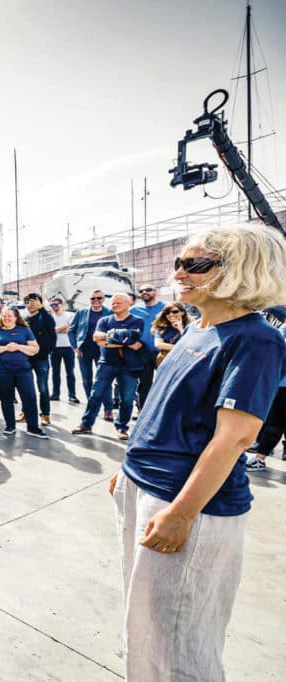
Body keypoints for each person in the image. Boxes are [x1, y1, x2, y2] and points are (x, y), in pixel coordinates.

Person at [111, 224, 286, 680]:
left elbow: (234, 438)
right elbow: (162, 407)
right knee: (145, 626)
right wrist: (128, 466)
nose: (179, 273)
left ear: (239, 271)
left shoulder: (256, 340)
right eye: (179, 263)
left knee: (181, 642)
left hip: (187, 504)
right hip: (145, 487)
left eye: (195, 264)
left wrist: (182, 514)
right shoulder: (197, 328)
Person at [72, 293, 144, 439]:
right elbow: (97, 340)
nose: (114, 305)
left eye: (118, 303)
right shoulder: (104, 320)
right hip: (106, 363)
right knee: (96, 394)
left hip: (128, 365)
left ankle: (122, 427)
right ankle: (86, 424)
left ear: (128, 304)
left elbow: (137, 344)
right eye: (113, 303)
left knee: (127, 399)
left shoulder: (137, 321)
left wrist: (111, 338)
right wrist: (124, 340)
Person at [0, 306, 48, 439]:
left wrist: (18, 346)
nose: (6, 318)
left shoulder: (24, 329)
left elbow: (35, 349)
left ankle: (33, 428)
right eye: (4, 316)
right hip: (3, 370)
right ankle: (10, 426)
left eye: (9, 316)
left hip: (23, 370)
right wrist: (5, 348)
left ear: (16, 317)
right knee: (6, 399)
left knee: (30, 398)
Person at [246, 322, 286, 471]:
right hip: (281, 384)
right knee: (274, 422)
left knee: (275, 423)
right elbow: (278, 346)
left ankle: (259, 458)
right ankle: (259, 457)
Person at [68, 290, 114, 421]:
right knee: (87, 380)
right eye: (93, 298)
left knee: (104, 380)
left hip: (103, 351)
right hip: (84, 351)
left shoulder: (109, 313)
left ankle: (108, 408)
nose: (96, 300)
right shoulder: (81, 312)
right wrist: (75, 347)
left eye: (99, 298)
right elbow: (71, 330)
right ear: (89, 300)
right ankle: (92, 406)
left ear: (103, 299)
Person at [22, 293, 56, 426]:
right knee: (25, 387)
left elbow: (53, 336)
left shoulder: (45, 317)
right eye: (27, 302)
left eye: (33, 302)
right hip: (26, 358)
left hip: (41, 359)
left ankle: (45, 414)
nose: (30, 304)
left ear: (40, 303)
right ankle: (25, 412)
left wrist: (42, 309)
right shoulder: (24, 319)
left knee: (43, 388)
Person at [131, 285, 167, 410]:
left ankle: (164, 411)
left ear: (155, 292)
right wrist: (132, 342)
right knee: (144, 384)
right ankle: (143, 411)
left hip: (163, 351)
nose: (145, 292)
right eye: (141, 291)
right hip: (142, 353)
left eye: (148, 290)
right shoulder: (134, 309)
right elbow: (127, 327)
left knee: (166, 383)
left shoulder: (167, 307)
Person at [49, 297, 78, 403]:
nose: (54, 307)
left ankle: (72, 395)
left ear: (62, 305)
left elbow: (70, 329)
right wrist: (63, 328)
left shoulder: (71, 315)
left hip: (68, 347)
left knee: (70, 372)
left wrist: (56, 330)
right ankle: (55, 394)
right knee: (55, 372)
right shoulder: (50, 317)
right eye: (52, 305)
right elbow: (51, 331)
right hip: (54, 348)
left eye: (56, 304)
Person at [151, 302, 191, 367]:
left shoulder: (191, 326)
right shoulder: (161, 328)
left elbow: (191, 344)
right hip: (167, 362)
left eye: (175, 312)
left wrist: (180, 328)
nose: (171, 314)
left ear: (182, 312)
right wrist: (182, 348)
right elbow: (158, 345)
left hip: (185, 362)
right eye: (167, 313)